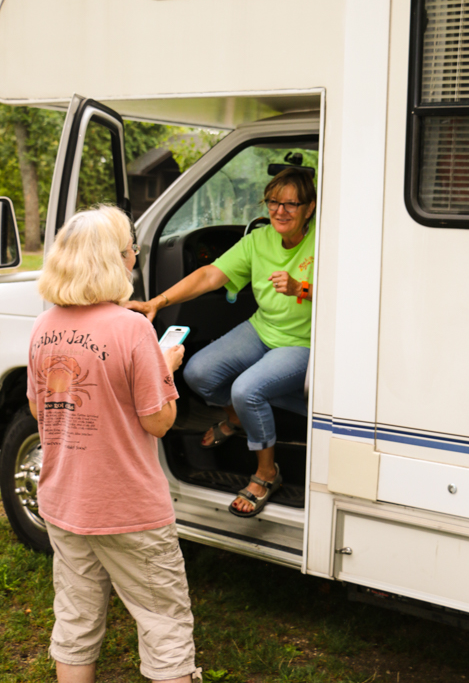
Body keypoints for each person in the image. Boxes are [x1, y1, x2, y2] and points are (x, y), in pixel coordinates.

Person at [27, 205, 201, 683]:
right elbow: (158, 421)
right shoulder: (132, 328)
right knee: (164, 624)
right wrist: (165, 367)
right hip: (128, 507)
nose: (135, 257)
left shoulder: (44, 326)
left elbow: (43, 413)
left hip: (64, 501)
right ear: (114, 259)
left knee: (76, 618)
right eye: (131, 249)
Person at [128, 168, 316, 518]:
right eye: (273, 202)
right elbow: (210, 276)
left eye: (291, 204)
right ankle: (238, 416)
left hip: (304, 342)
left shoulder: (324, 238)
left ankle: (266, 473)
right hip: (263, 328)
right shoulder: (259, 240)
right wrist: (158, 302)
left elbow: (347, 294)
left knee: (248, 390)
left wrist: (300, 288)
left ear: (310, 207)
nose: (280, 211)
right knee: (198, 373)